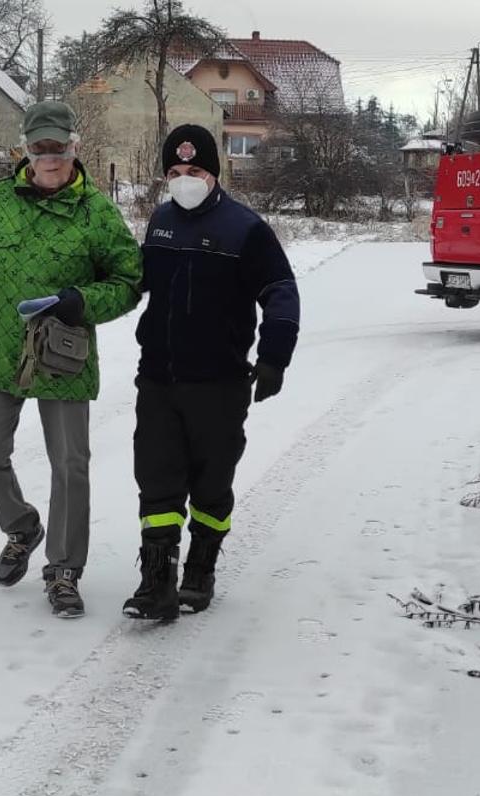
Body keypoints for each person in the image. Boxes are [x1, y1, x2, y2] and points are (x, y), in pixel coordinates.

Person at [0, 101, 143, 619]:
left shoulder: (96, 211)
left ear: (74, 147)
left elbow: (129, 281)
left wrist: (84, 302)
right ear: (25, 151)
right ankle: (23, 528)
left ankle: (64, 570)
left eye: (59, 147)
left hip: (63, 355)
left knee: (69, 465)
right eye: (39, 148)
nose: (50, 158)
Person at [124, 124, 300, 622]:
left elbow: (281, 292)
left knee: (210, 481)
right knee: (156, 477)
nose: (185, 180)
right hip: (158, 377)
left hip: (219, 383)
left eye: (194, 170)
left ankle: (200, 568)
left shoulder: (245, 228)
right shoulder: (159, 222)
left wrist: (274, 357)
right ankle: (156, 582)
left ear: (213, 173)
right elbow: (136, 283)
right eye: (175, 172)